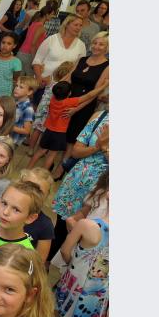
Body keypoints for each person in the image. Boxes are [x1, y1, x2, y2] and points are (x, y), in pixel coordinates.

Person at [49, 110, 108, 262]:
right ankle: (47, 262)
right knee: (62, 226)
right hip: (78, 180)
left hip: (102, 190)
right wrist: (97, 146)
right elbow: (75, 151)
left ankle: (70, 273)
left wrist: (106, 149)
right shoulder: (100, 116)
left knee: (88, 235)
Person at [53, 190, 109, 317]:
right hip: (97, 296)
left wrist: (73, 265)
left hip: (72, 282)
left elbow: (65, 250)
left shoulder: (86, 225)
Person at [58, 32, 109, 177]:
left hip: (84, 106)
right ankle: (56, 161)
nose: (97, 47)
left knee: (72, 139)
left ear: (106, 48)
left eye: (101, 44)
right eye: (95, 43)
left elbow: (94, 93)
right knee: (62, 132)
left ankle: (62, 168)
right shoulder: (82, 59)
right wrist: (57, 93)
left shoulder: (107, 67)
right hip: (68, 101)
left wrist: (75, 109)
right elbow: (69, 78)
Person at [28, 80, 107, 171]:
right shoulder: (69, 102)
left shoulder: (53, 99)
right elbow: (89, 96)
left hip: (48, 130)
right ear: (69, 93)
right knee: (51, 155)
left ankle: (28, 168)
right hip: (59, 134)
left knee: (39, 151)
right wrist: (104, 85)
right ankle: (42, 175)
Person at [0, 168, 56, 262]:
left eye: (38, 191)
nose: (30, 193)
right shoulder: (4, 209)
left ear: (47, 196)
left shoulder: (45, 225)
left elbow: (39, 261)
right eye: (27, 186)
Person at [27, 61, 74, 157]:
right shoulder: (66, 85)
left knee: (37, 129)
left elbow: (41, 83)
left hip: (42, 107)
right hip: (51, 110)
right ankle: (40, 150)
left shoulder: (50, 78)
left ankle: (30, 149)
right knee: (45, 131)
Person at [32, 15, 86, 90]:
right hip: (43, 83)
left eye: (80, 25)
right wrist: (39, 78)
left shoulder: (81, 45)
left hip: (62, 88)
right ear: (67, 24)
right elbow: (37, 60)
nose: (78, 28)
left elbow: (79, 68)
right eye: (75, 25)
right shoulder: (52, 39)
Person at [16, 6, 54, 76]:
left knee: (19, 80)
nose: (52, 16)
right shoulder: (41, 27)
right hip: (28, 55)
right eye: (51, 14)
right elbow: (33, 44)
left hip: (21, 53)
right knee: (29, 82)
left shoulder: (33, 23)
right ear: (46, 15)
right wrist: (35, 60)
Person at [11, 76, 38, 146]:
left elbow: (26, 131)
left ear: (29, 92)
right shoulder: (15, 102)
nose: (16, 88)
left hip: (13, 141)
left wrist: (9, 126)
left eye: (21, 87)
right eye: (16, 85)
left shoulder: (28, 109)